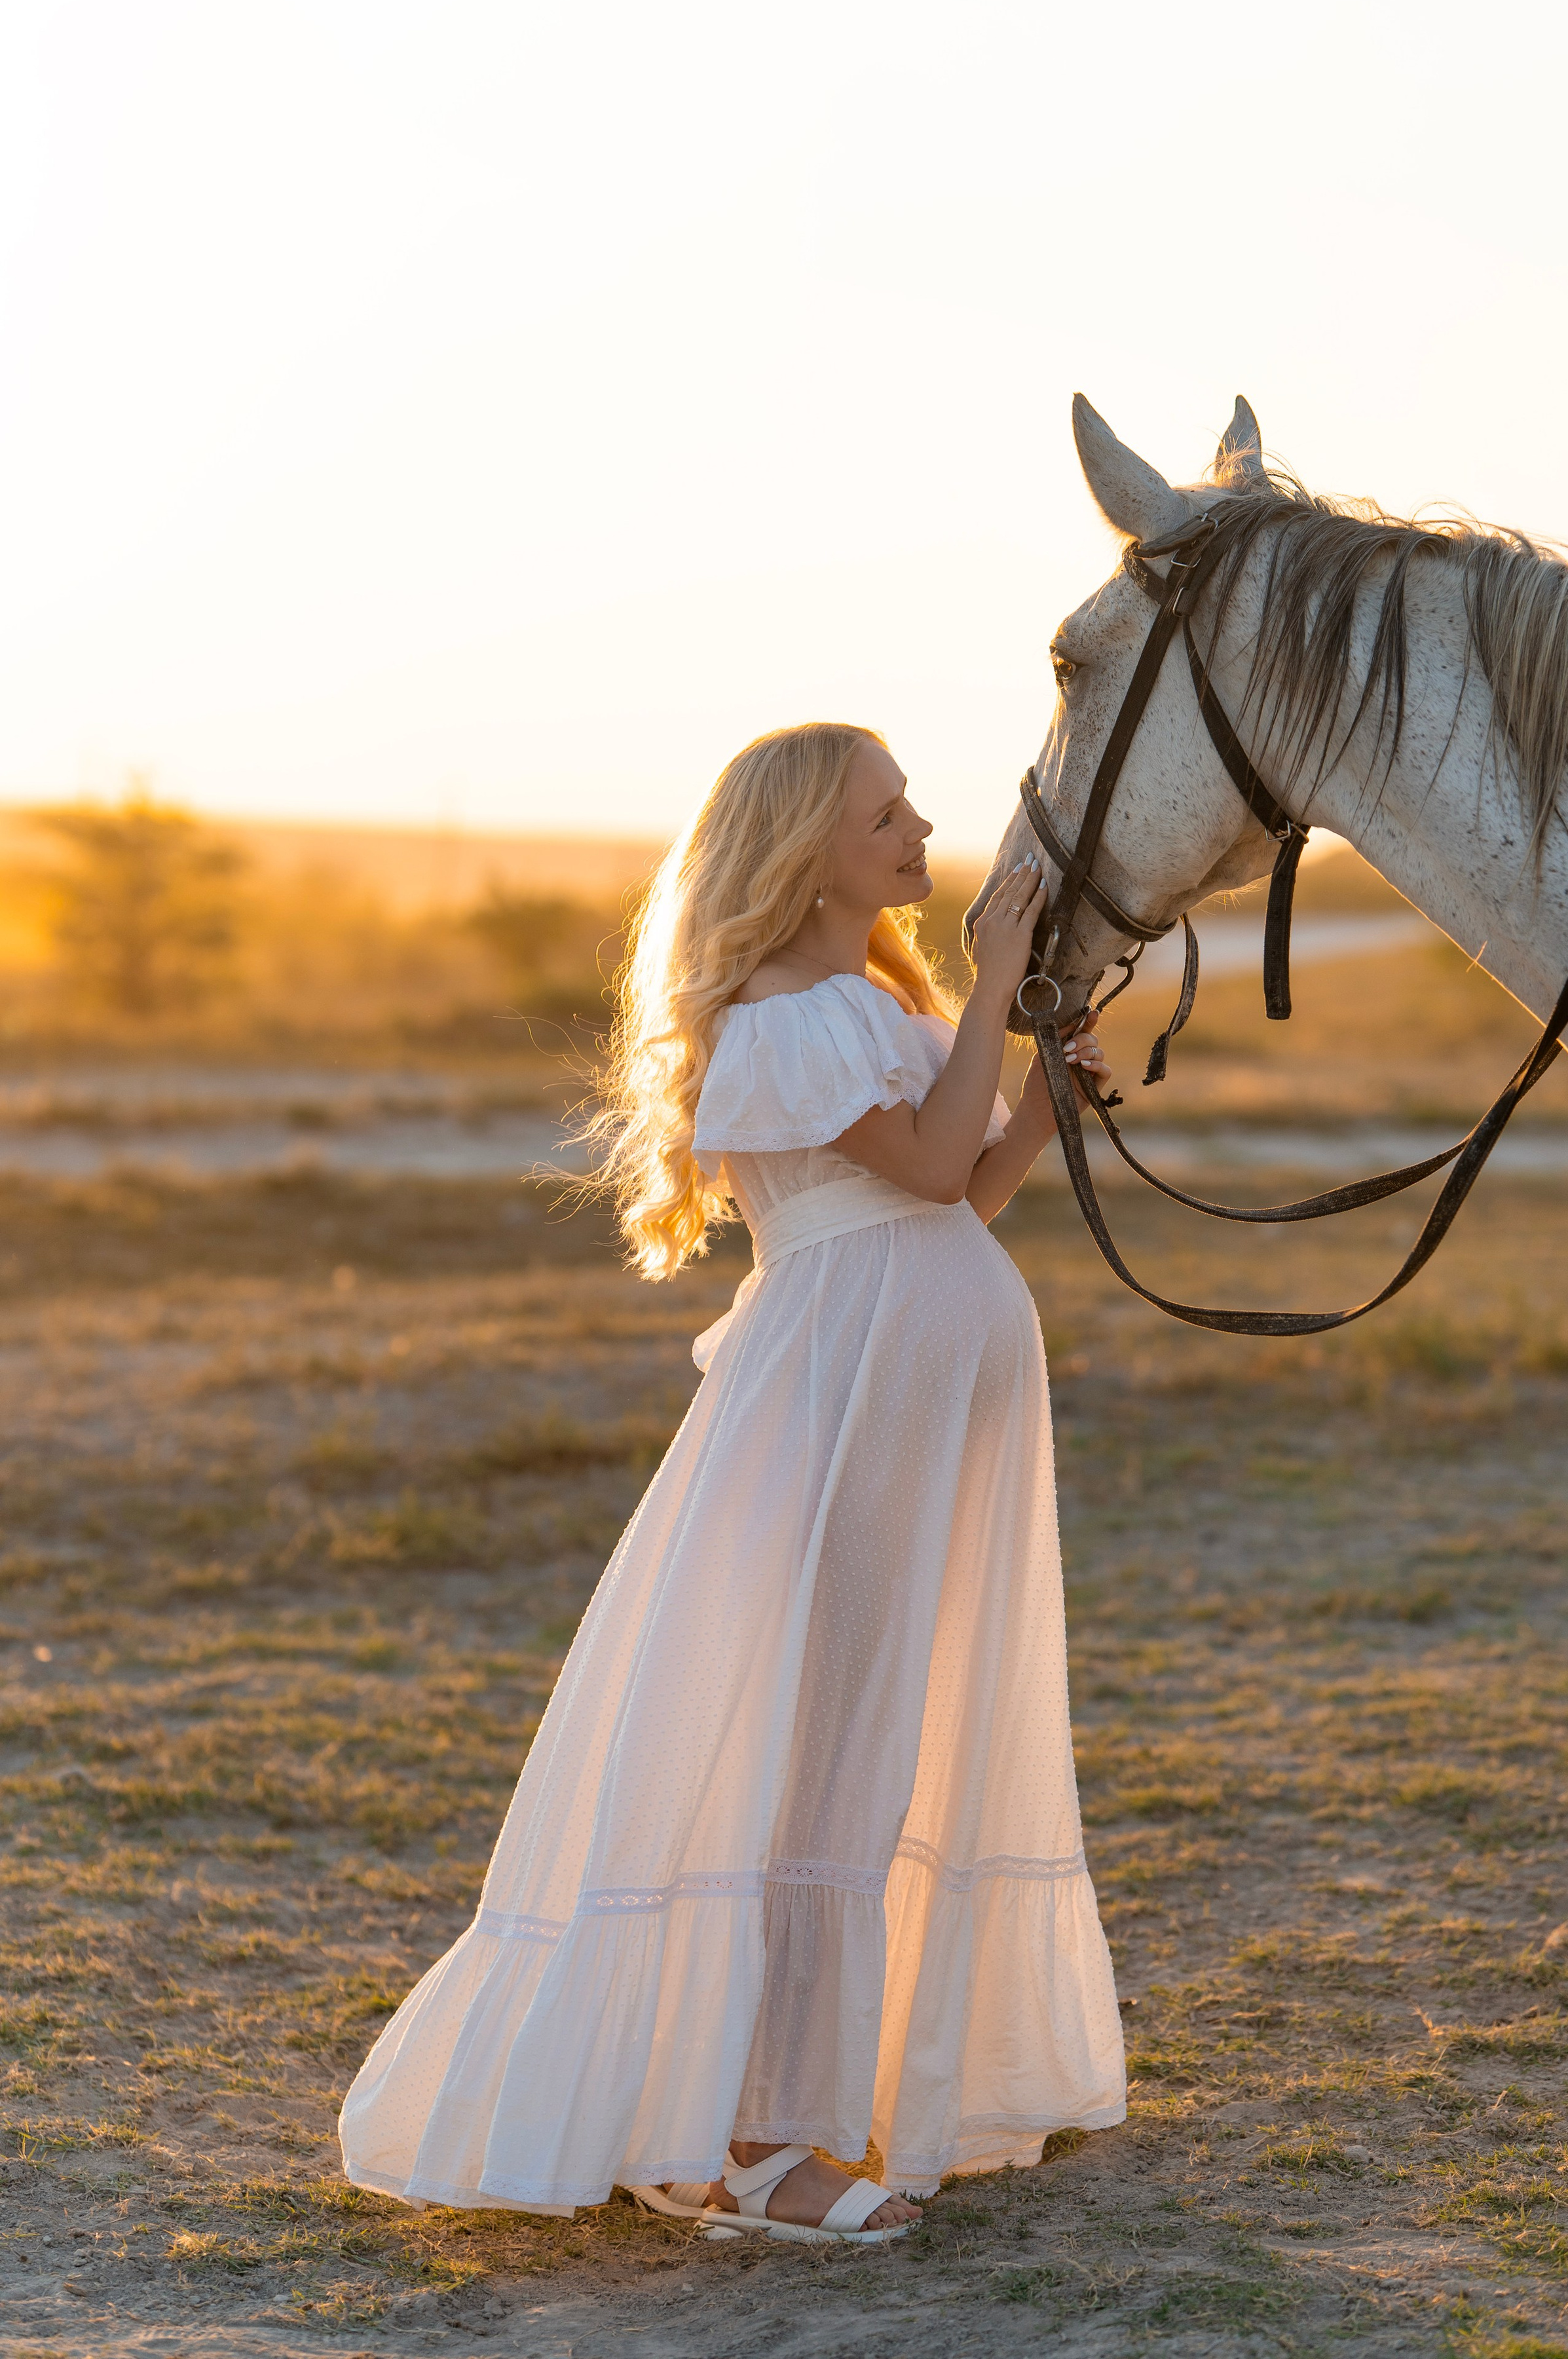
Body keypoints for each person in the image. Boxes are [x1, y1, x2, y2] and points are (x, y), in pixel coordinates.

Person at [337, 722, 1126, 2243]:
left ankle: (832, 2096)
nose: (916, 829)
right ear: (803, 850)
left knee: (893, 1725)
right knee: (827, 1745)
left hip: (913, 1392)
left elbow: (967, 1185)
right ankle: (764, 2139)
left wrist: (1049, 1095)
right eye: (882, 814)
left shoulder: (876, 1003)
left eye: (906, 806)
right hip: (837, 1396)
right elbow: (910, 1174)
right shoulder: (778, 1013)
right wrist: (1001, 992)